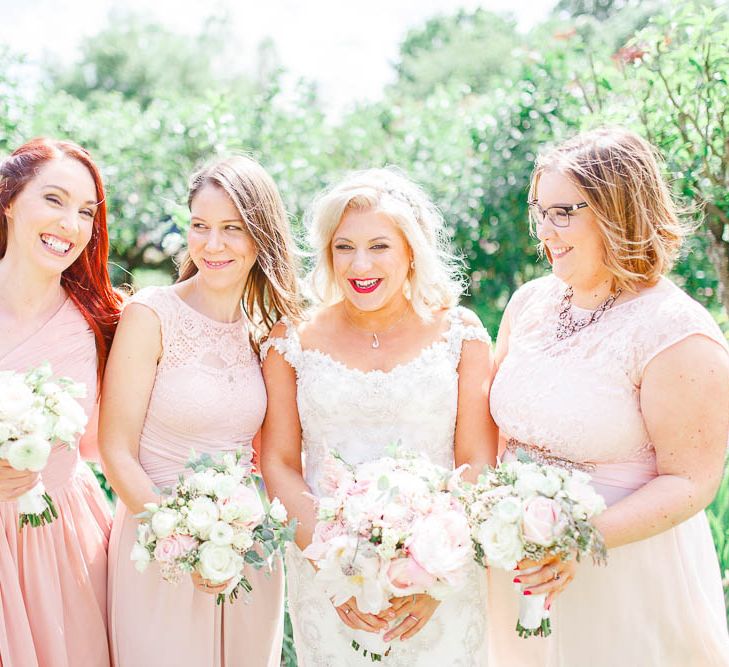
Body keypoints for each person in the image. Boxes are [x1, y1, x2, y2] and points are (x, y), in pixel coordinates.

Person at [488, 127, 729, 667]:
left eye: (563, 213)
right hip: (521, 567)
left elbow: (691, 481)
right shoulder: (530, 302)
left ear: (618, 211)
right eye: (539, 210)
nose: (544, 231)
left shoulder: (676, 333)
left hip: (625, 573)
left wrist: (578, 538)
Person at [260, 167, 498, 667]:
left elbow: (478, 459)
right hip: (327, 577)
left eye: (379, 246)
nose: (359, 263)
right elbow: (278, 461)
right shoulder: (292, 340)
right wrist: (331, 563)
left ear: (412, 250)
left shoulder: (462, 334)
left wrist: (437, 572)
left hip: (441, 575)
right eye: (343, 246)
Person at [100, 155, 303, 667]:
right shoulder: (151, 314)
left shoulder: (266, 332)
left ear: (261, 237)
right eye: (200, 226)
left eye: (232, 229)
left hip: (247, 553)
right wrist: (182, 539)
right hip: (159, 546)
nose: (213, 245)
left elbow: (276, 456)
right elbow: (116, 452)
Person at [0, 137, 122, 667]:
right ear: (8, 199)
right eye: (53, 199)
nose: (71, 224)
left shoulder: (103, 323)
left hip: (60, 544)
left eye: (86, 211)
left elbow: (111, 445)